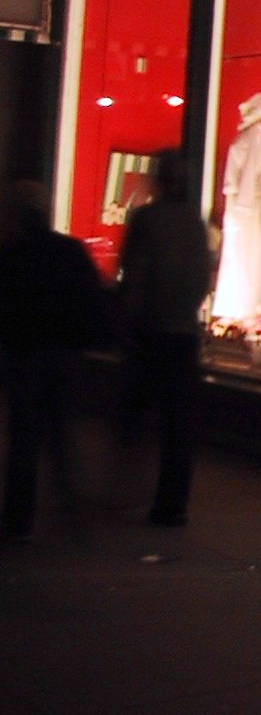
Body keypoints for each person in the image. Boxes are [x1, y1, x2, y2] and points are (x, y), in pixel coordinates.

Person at [0, 180, 105, 543]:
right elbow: (93, 299)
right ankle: (72, 510)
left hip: (24, 355)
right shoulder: (70, 251)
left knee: (24, 440)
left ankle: (19, 520)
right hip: (63, 355)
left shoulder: (11, 257)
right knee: (61, 434)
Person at [118, 150, 211, 528]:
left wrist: (129, 316)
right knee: (178, 425)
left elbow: (134, 273)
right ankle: (172, 503)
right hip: (182, 331)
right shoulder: (194, 223)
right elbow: (202, 276)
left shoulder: (147, 219)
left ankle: (127, 486)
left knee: (136, 412)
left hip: (151, 330)